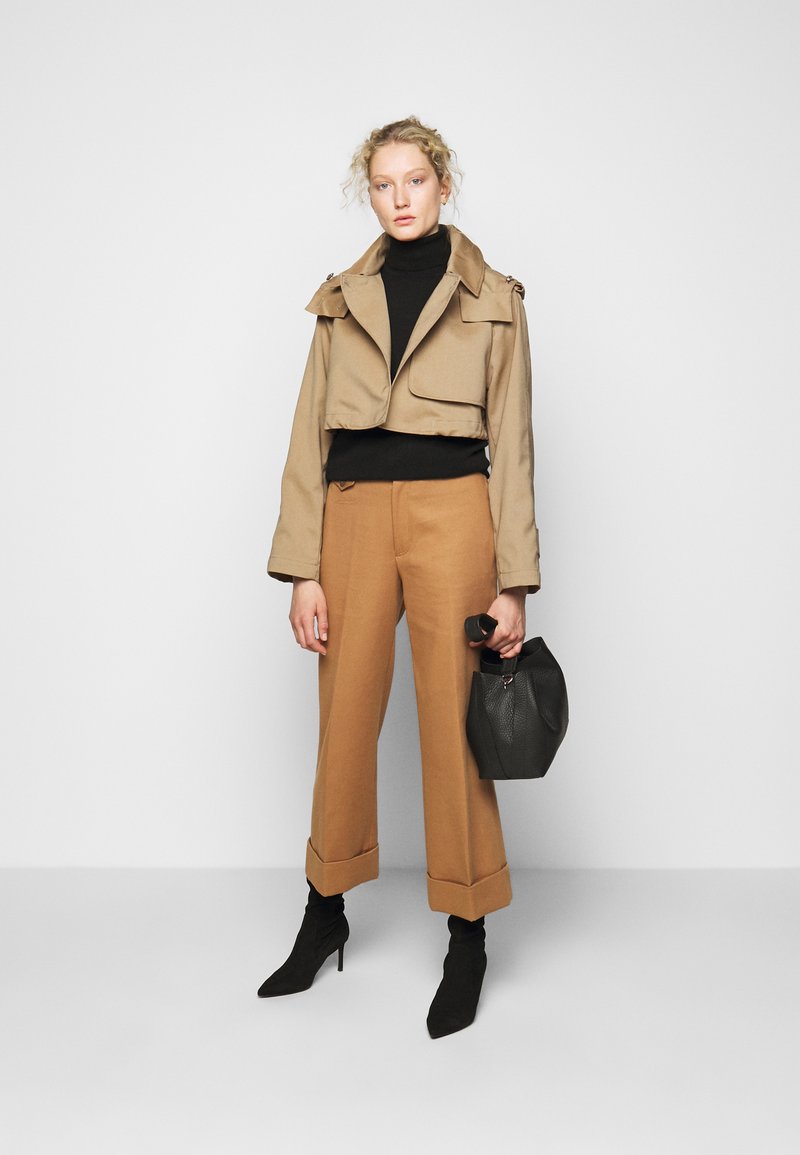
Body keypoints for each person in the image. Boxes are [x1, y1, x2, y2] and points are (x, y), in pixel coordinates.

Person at [257, 116, 541, 1038]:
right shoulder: (341, 299)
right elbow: (308, 434)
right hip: (350, 516)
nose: (400, 197)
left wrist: (513, 580)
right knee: (344, 713)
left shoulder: (494, 298)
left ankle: (468, 931)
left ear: (442, 185)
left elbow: (514, 444)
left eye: (415, 180)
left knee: (456, 718)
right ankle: (324, 910)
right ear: (369, 193)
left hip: (455, 514)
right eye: (383, 184)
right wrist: (302, 568)